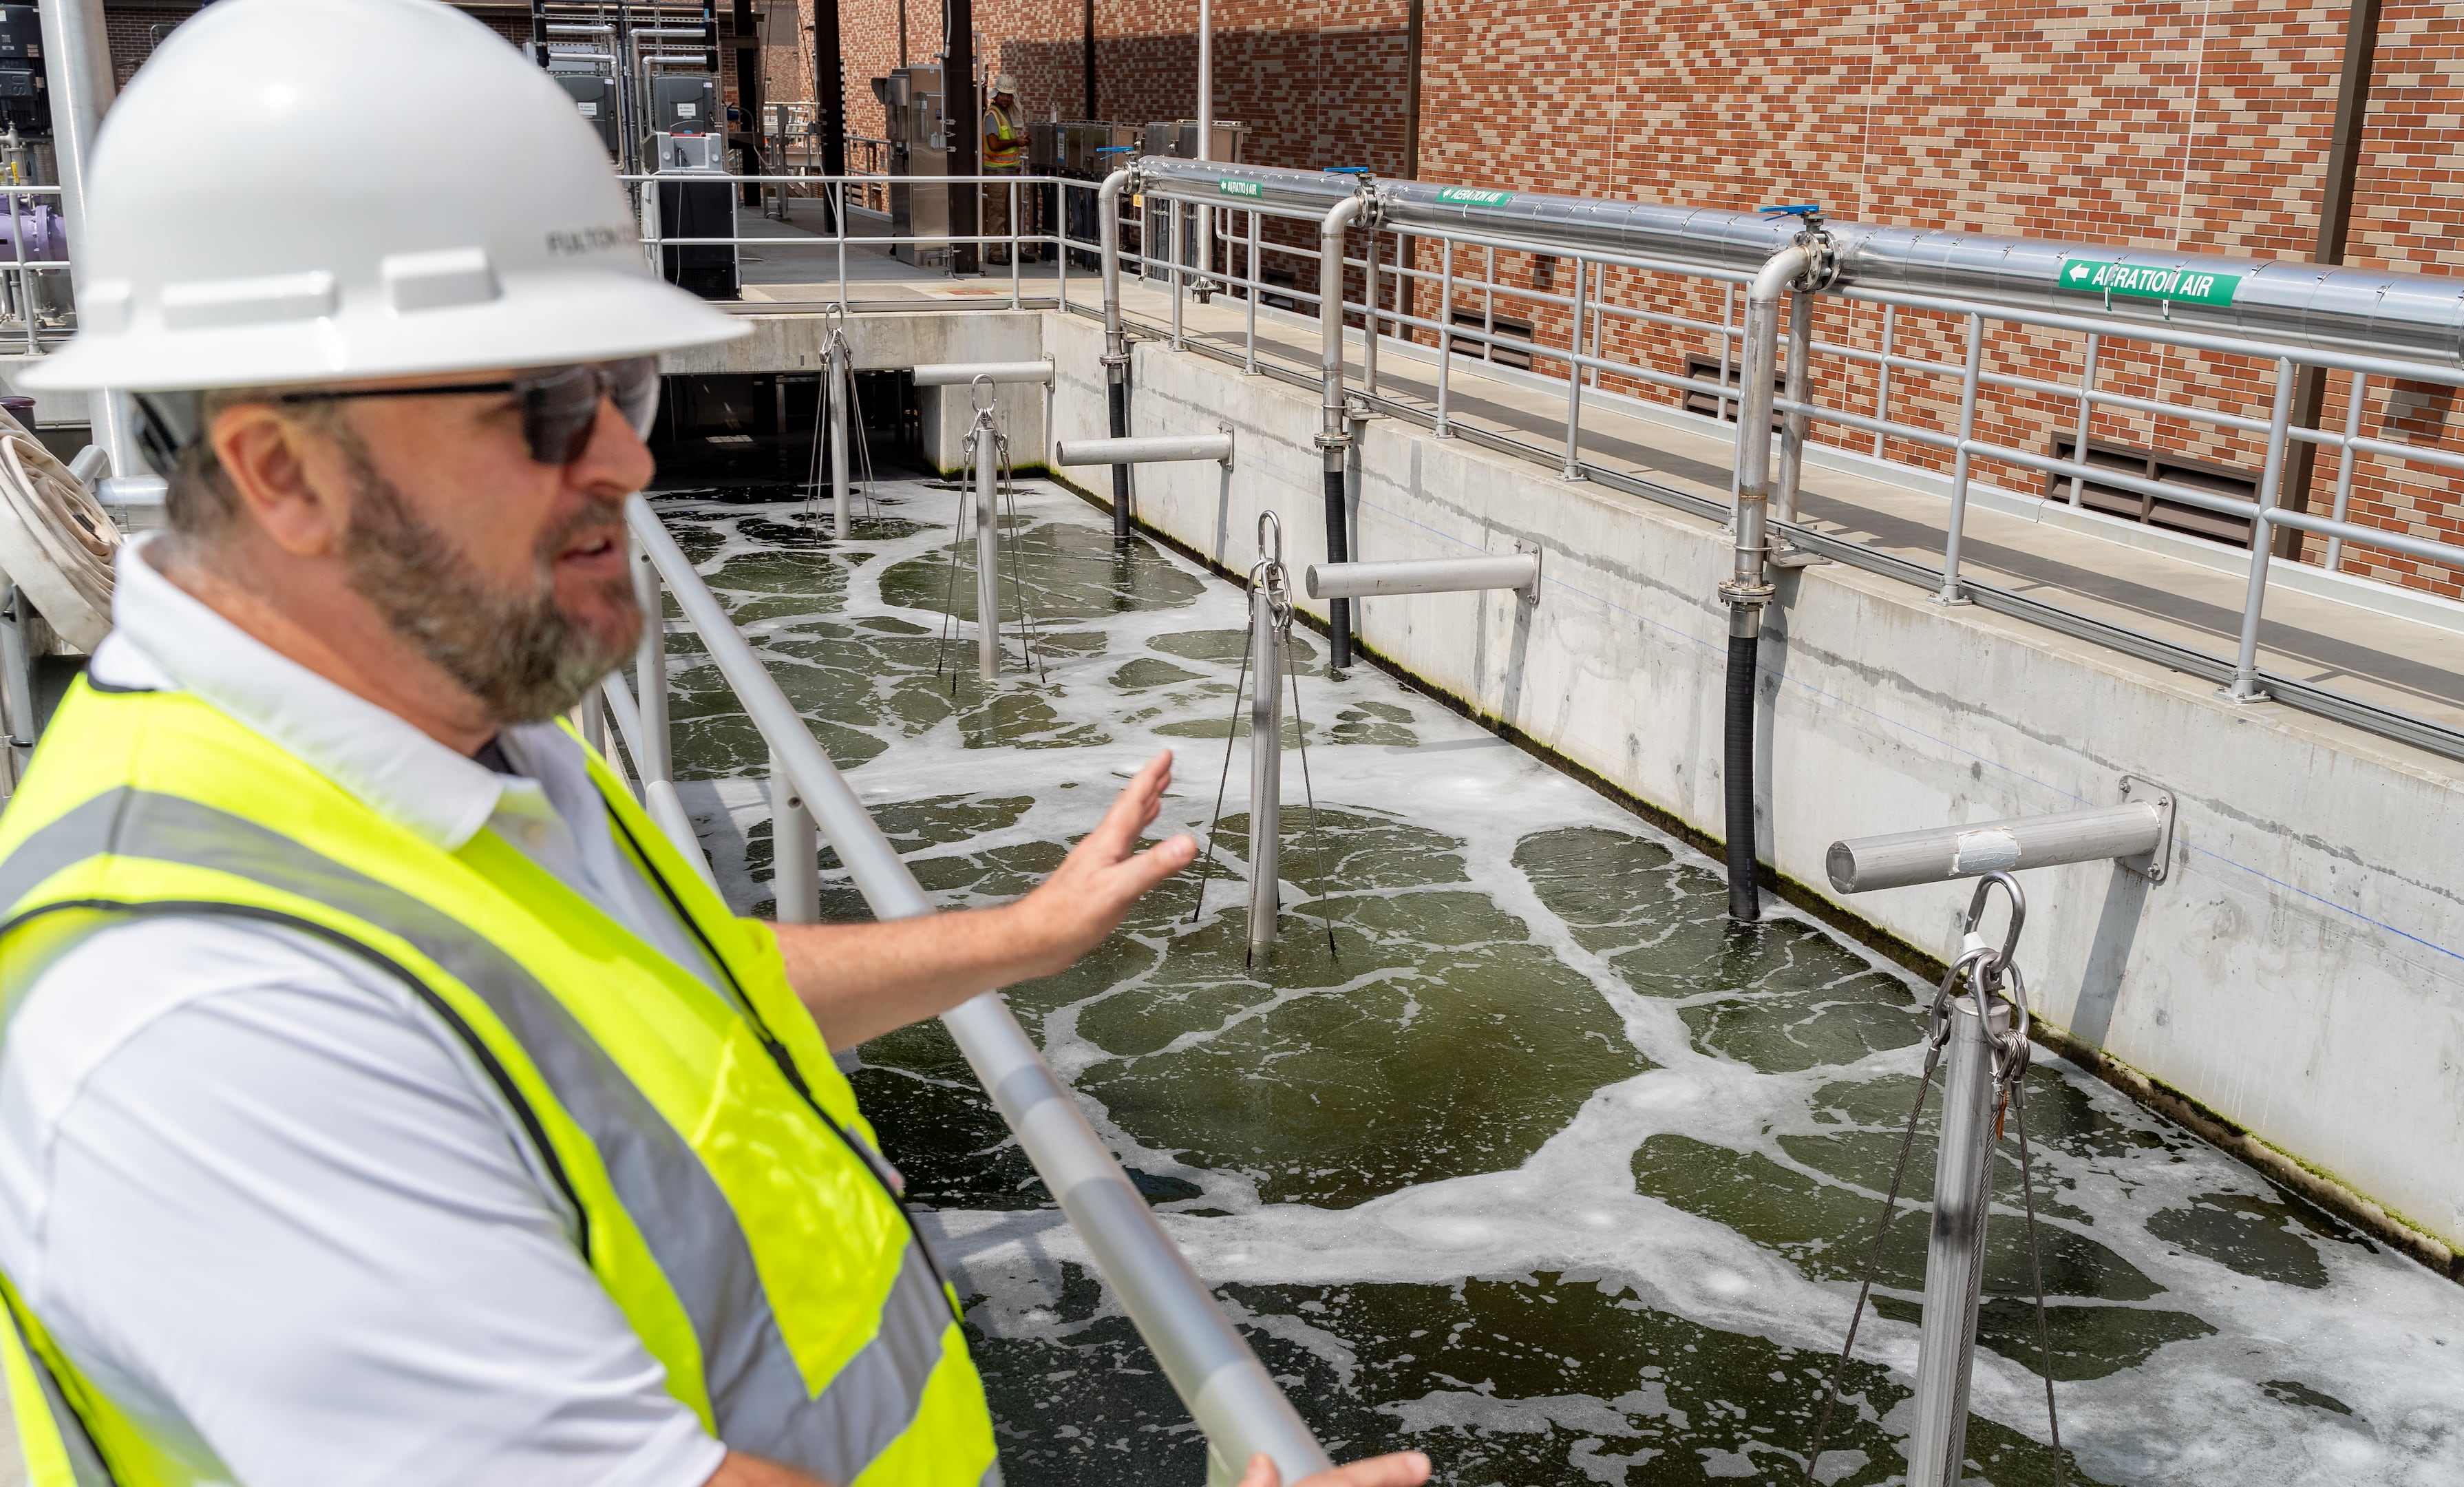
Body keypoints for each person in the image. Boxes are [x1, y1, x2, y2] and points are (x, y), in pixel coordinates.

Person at [0, 3, 1432, 1486]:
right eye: (548, 407)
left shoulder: (454, 742)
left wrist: (1013, 937)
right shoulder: (203, 1014)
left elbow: (688, 996)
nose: (628, 456)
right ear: (283, 472)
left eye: (624, 386)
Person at [981, 74, 1026, 266]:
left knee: (1013, 212)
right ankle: (996, 252)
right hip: (997, 172)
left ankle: (1014, 249)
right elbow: (994, 144)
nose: (1006, 98)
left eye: (1009, 95)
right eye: (1003, 95)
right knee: (998, 213)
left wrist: (1020, 143)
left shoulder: (1006, 114)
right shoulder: (992, 115)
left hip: (1010, 171)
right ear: (996, 94)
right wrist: (1016, 141)